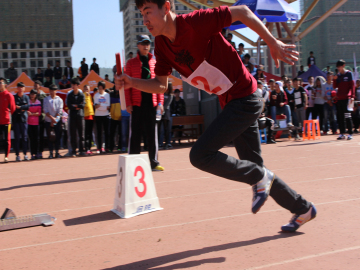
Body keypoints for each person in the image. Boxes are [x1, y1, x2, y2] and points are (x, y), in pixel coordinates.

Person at [116, 0, 315, 232]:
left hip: (245, 99)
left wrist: (273, 42)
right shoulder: (161, 45)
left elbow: (242, 12)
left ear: (166, 7)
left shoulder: (195, 22)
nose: (145, 20)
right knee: (257, 173)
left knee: (201, 155)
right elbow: (160, 86)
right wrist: (131, 83)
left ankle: (264, 179)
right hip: (231, 103)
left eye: (148, 12)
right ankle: (303, 208)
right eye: (141, 14)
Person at [124, 34, 164, 171]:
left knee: (152, 134)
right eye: (143, 43)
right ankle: (133, 161)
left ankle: (154, 162)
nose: (146, 46)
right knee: (135, 134)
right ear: (138, 45)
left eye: (147, 43)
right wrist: (128, 103)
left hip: (151, 103)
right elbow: (126, 85)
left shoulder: (155, 62)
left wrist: (160, 102)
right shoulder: (130, 63)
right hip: (136, 103)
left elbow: (161, 83)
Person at [333, 59, 355, 140]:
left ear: (343, 66)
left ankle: (350, 134)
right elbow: (334, 87)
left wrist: (352, 96)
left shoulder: (349, 74)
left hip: (347, 99)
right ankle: (342, 133)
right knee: (340, 117)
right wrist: (334, 79)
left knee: (348, 116)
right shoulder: (338, 75)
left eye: (339, 66)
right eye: (337, 67)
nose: (338, 68)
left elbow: (352, 86)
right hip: (340, 99)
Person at [43, 84, 63, 158]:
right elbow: (45, 110)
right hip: (48, 120)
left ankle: (57, 152)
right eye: (51, 91)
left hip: (57, 120)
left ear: (56, 91)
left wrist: (55, 120)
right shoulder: (46, 99)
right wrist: (51, 119)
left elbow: (60, 110)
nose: (52, 92)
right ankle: (51, 152)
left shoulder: (59, 99)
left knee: (58, 136)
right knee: (50, 137)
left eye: (53, 90)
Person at [67, 78, 85, 156]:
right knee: (73, 134)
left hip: (80, 116)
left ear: (78, 85)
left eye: (75, 85)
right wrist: (76, 106)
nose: (73, 86)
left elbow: (83, 105)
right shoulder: (70, 95)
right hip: (72, 116)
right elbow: (69, 105)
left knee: (81, 134)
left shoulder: (81, 94)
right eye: (72, 85)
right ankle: (74, 151)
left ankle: (81, 150)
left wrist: (76, 105)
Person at [13, 82, 30, 161]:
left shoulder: (26, 97)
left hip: (23, 120)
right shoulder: (14, 97)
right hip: (16, 120)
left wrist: (20, 107)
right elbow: (13, 108)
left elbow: (28, 107)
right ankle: (17, 155)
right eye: (19, 87)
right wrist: (21, 108)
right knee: (17, 138)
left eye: (22, 87)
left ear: (24, 88)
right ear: (17, 88)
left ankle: (25, 154)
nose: (20, 89)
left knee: (24, 137)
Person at [0, 77, 16, 163]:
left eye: (1, 83)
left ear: (5, 85)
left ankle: (6, 156)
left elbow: (13, 108)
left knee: (6, 139)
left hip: (6, 120)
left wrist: (8, 115)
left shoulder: (9, 95)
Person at [94, 81, 110, 154]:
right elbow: (96, 106)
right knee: (99, 133)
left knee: (106, 132)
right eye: (99, 88)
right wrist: (102, 106)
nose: (100, 89)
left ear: (104, 88)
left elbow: (108, 106)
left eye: (101, 88)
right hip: (98, 116)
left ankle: (107, 147)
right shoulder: (96, 95)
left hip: (106, 115)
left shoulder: (107, 95)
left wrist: (100, 106)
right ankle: (99, 147)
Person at [158, 82, 173, 149]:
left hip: (166, 114)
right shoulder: (162, 93)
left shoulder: (170, 95)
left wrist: (162, 109)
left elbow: (167, 104)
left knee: (167, 129)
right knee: (160, 130)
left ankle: (167, 143)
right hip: (160, 113)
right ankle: (160, 143)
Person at [27, 89, 42, 160]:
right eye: (31, 94)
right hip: (29, 123)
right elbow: (27, 111)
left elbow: (39, 113)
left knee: (37, 139)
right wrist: (32, 113)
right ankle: (32, 154)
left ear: (36, 95)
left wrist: (32, 113)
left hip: (36, 123)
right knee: (31, 139)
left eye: (33, 94)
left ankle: (37, 153)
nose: (32, 95)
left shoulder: (38, 102)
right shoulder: (27, 102)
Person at [109, 85, 122, 152]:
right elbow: (109, 104)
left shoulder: (122, 94)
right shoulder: (111, 94)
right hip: (113, 117)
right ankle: (111, 147)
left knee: (120, 133)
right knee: (112, 133)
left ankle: (120, 147)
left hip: (120, 118)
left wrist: (121, 115)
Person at [83, 85, 95, 155]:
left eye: (87, 89)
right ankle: (86, 148)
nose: (86, 90)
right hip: (85, 117)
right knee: (86, 134)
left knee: (90, 134)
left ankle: (89, 148)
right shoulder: (84, 96)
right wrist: (86, 95)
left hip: (91, 116)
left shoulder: (90, 96)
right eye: (85, 89)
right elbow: (86, 105)